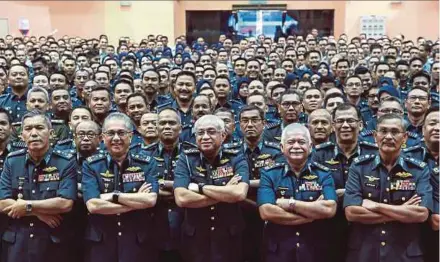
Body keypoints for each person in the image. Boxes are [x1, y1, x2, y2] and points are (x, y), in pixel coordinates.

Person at [344, 113, 432, 262]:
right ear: (375, 136)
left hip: (404, 254)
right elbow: (352, 213)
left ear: (404, 138)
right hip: (365, 253)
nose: (389, 136)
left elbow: (421, 214)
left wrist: (376, 206)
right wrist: (403, 210)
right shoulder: (359, 167)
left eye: (395, 132)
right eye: (383, 131)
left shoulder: (418, 169)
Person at [0, 110, 77, 262]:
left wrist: (26, 206)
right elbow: (2, 203)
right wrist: (37, 212)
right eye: (28, 129)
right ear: (22, 135)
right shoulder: (12, 161)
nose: (34, 133)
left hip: (52, 243)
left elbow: (65, 203)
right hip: (17, 244)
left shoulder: (65, 162)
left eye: (39, 128)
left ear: (51, 133)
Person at [81, 112, 159, 262]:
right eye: (111, 133)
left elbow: (150, 201)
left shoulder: (147, 163)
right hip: (101, 243)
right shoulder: (91, 165)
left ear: (131, 136)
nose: (116, 138)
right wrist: (136, 202)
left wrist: (113, 196)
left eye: (121, 133)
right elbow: (93, 205)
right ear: (103, 137)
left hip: (137, 243)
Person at [173, 115, 249, 262]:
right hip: (195, 240)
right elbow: (182, 198)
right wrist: (225, 191)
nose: (205, 137)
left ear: (223, 135)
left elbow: (239, 193)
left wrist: (199, 188)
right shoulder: (186, 159)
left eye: (211, 132)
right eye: (200, 133)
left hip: (229, 238)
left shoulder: (236, 157)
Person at [257, 123, 337, 262]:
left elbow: (329, 209)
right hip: (279, 252)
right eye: (291, 142)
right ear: (282, 147)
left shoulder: (323, 173)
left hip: (315, 251)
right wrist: (312, 214)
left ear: (310, 147)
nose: (296, 146)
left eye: (301, 142)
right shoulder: (269, 174)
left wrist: (290, 203)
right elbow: (267, 212)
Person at [228, 105, 283, 262]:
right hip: (237, 213)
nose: (249, 124)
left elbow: (278, 181)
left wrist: (242, 184)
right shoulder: (230, 152)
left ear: (264, 123)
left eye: (254, 120)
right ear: (239, 125)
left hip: (269, 214)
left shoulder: (277, 151)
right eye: (245, 121)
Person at [140, 108, 191, 262]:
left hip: (187, 223)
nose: (167, 126)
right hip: (153, 223)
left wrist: (159, 186)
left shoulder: (193, 153)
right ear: (156, 127)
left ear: (181, 128)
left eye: (172, 123)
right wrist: (181, 188)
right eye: (162, 123)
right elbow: (139, 189)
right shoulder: (142, 155)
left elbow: (199, 185)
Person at [403, 107, 439, 262]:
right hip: (408, 236)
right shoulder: (405, 158)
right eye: (432, 123)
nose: (437, 128)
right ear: (423, 131)